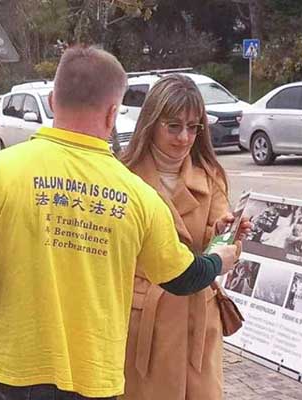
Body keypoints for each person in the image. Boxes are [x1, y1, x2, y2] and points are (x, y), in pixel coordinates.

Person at [0, 46, 240, 400]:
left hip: (12, 374)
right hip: (94, 380)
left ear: (52, 101)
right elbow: (184, 277)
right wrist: (220, 259)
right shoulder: (136, 193)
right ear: (113, 113)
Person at [119, 74, 251, 400]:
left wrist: (225, 233)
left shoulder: (209, 175)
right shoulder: (123, 176)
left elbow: (221, 236)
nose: (184, 138)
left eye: (194, 127)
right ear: (151, 123)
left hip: (198, 318)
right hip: (142, 322)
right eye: (173, 126)